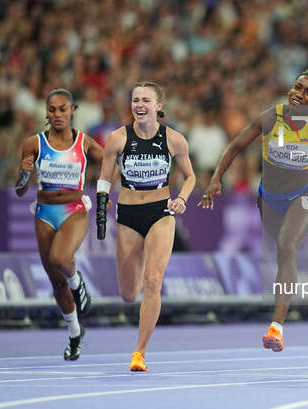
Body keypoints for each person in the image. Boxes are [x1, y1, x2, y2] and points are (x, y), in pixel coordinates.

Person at [199, 68, 308, 352]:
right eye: (297, 87)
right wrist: (215, 180)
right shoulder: (272, 117)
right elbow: (235, 146)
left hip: (303, 195)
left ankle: (276, 328)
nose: (299, 94)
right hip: (269, 197)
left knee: (286, 247)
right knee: (280, 244)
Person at [96, 81, 196, 371]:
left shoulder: (174, 140)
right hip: (128, 215)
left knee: (153, 281)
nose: (139, 105)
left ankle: (138, 352)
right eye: (135, 100)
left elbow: (190, 177)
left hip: (161, 212)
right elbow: (105, 178)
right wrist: (103, 202)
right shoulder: (117, 139)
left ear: (158, 106)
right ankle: (140, 265)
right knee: (128, 294)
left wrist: (182, 199)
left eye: (146, 101)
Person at [15, 88, 102, 361]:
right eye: (52, 110)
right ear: (46, 112)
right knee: (55, 281)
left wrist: (106, 193)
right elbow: (19, 190)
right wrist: (24, 175)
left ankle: (78, 282)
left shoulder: (85, 143)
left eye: (63, 109)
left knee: (60, 258)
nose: (57, 115)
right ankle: (75, 335)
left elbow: (111, 161)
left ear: (73, 110)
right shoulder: (33, 144)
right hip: (44, 213)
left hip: (74, 209)